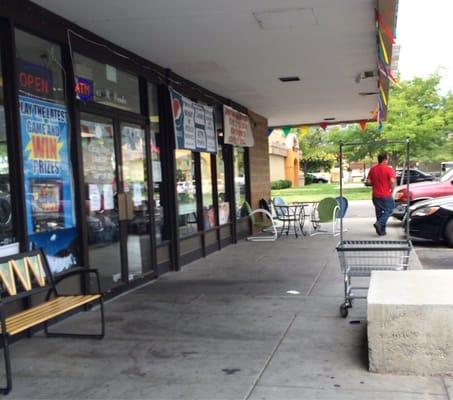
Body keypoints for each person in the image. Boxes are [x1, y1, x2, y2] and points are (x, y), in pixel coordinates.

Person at [366, 153, 396, 235]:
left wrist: (375, 183)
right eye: (387, 159)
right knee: (390, 209)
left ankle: (381, 231)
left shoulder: (372, 169)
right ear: (385, 160)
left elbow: (368, 182)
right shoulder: (389, 169)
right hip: (385, 194)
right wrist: (392, 190)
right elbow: (392, 181)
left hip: (375, 195)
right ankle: (379, 224)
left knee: (379, 211)